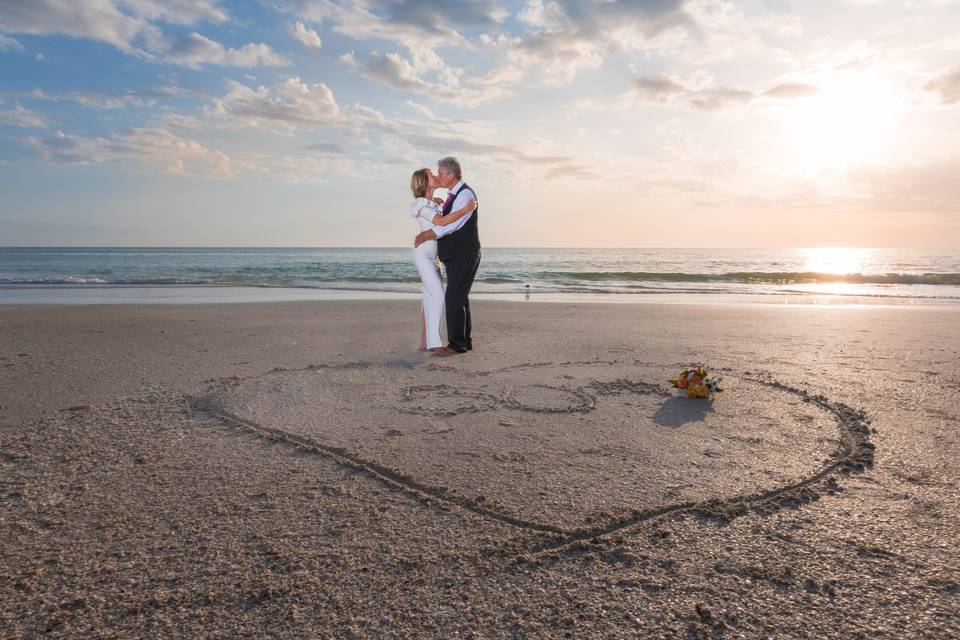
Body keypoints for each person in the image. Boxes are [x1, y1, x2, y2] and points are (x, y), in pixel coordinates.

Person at [408, 167, 478, 356]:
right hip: (423, 254)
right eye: (431, 175)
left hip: (434, 257)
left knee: (430, 297)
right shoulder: (421, 204)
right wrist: (466, 209)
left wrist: (441, 203)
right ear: (424, 181)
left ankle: (425, 342)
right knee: (438, 295)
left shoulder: (434, 203)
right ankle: (435, 345)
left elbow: (441, 218)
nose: (436, 176)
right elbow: (440, 222)